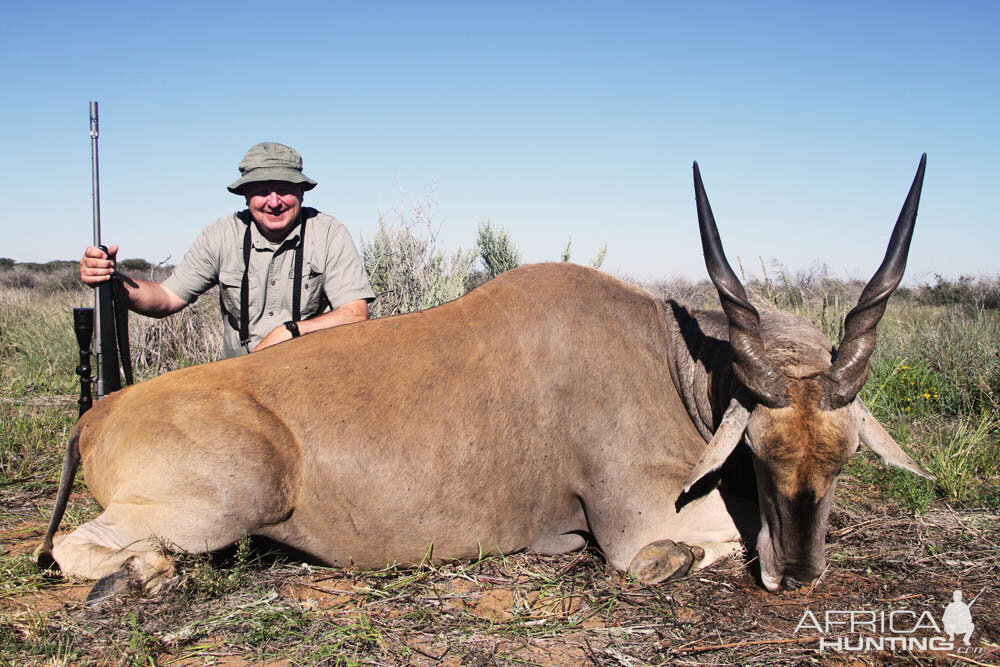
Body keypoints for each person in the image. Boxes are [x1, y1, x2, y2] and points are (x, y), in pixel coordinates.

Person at [79, 142, 375, 358]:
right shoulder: (220, 234)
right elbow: (166, 299)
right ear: (245, 195)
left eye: (283, 189)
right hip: (239, 381)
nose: (274, 201)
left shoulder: (328, 232)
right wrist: (111, 280)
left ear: (301, 191)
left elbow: (354, 313)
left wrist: (290, 331)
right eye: (261, 190)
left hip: (309, 371)